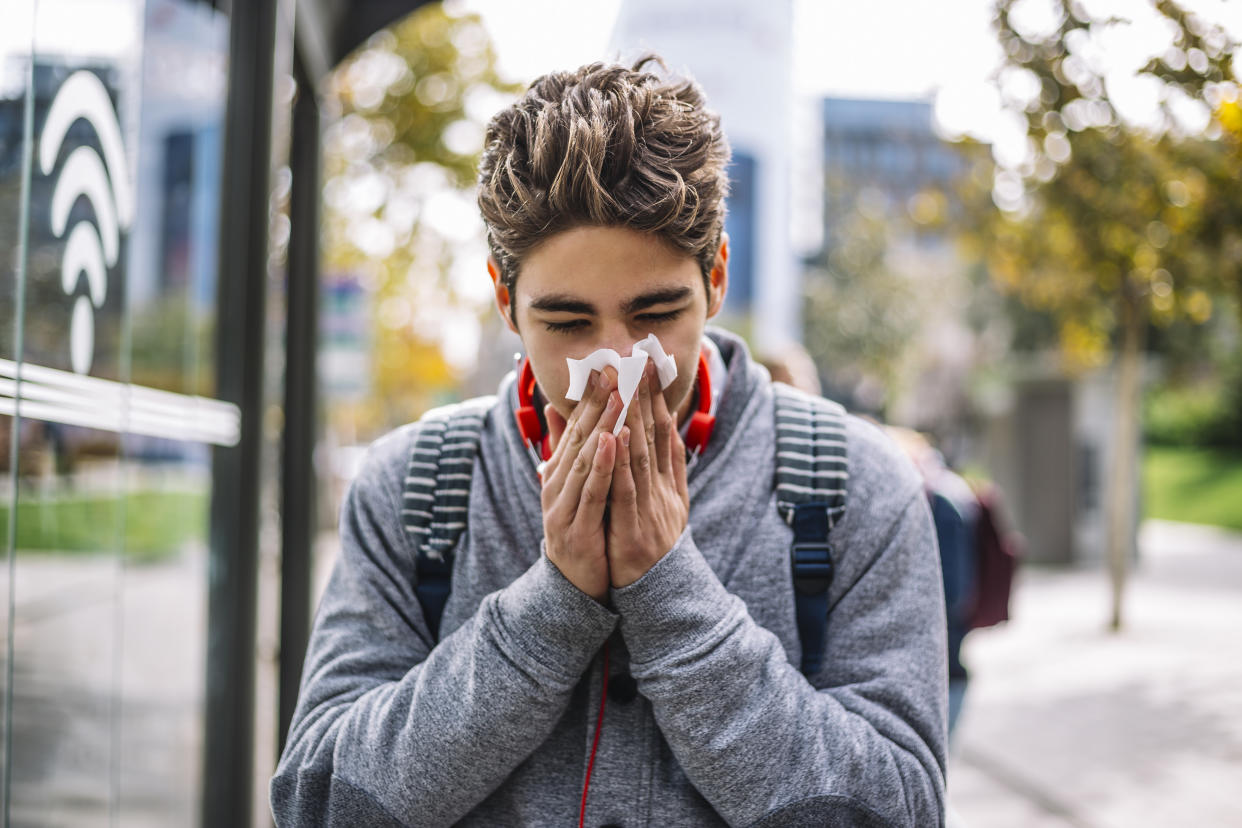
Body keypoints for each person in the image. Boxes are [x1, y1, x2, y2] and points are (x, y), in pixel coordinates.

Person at [272, 57, 947, 827]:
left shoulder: (859, 487)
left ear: (716, 277)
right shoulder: (413, 487)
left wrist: (672, 595)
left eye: (656, 313)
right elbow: (319, 805)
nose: (619, 366)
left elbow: (901, 813)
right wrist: (548, 609)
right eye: (567, 323)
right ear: (504, 299)